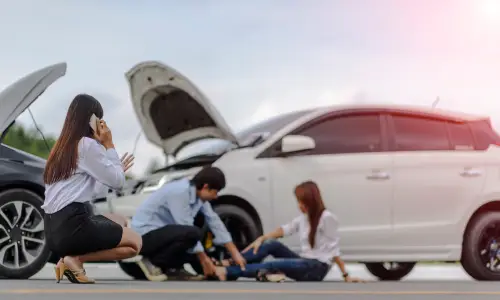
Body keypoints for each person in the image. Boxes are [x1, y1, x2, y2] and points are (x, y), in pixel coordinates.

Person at [43, 94, 142, 284]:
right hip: (73, 226)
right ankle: (75, 260)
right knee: (135, 243)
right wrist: (109, 145)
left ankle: (70, 261)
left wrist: (113, 168)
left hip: (54, 232)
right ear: (92, 120)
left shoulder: (61, 148)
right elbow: (118, 183)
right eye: (99, 119)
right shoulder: (87, 145)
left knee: (119, 220)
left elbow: (96, 192)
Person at [213, 180, 364, 283]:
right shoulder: (304, 218)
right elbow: (285, 230)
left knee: (274, 264)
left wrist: (346, 275)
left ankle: (227, 271)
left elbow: (334, 249)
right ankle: (231, 262)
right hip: (305, 262)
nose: (299, 205)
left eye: (301, 202)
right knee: (272, 244)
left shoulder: (327, 218)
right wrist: (262, 238)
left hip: (316, 269)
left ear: (311, 201)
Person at [131, 166, 246, 281]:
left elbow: (214, 221)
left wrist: (235, 253)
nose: (216, 197)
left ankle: (173, 268)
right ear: (206, 187)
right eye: (215, 192)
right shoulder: (179, 192)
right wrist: (204, 259)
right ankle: (151, 262)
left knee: (206, 266)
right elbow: (185, 226)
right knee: (193, 233)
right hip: (144, 237)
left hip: (163, 235)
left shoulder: (198, 196)